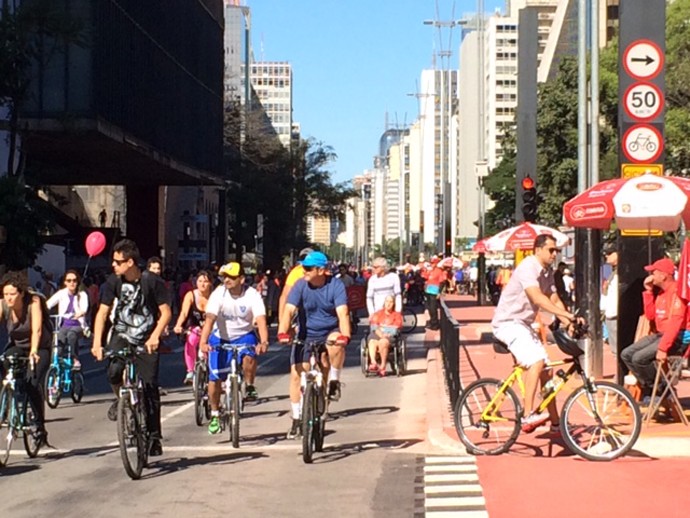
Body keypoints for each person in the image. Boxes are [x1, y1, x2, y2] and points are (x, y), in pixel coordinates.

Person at [91, 239, 171, 457]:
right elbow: (103, 313)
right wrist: (97, 343)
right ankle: (121, 399)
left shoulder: (151, 282)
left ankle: (154, 436)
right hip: (122, 334)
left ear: (130, 262)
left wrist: (155, 336)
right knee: (114, 371)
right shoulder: (113, 282)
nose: (113, 266)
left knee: (150, 387)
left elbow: (165, 313)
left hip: (146, 336)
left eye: (118, 262)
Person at [491, 235, 578, 433]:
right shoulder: (527, 267)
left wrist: (568, 322)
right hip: (507, 323)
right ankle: (528, 415)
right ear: (537, 249)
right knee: (536, 362)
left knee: (547, 371)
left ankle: (556, 424)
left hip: (523, 324)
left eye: (556, 250)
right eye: (551, 250)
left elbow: (554, 299)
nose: (554, 254)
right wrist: (565, 315)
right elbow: (537, 298)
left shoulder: (547, 272)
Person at [277, 251, 350, 439]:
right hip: (306, 333)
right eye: (304, 267)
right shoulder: (300, 285)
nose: (304, 271)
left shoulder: (336, 285)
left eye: (308, 268)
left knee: (335, 347)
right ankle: (296, 418)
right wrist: (283, 332)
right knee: (296, 374)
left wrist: (345, 335)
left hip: (329, 331)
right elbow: (289, 310)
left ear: (321, 270)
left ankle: (334, 381)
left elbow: (343, 313)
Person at [199, 262, 269, 435]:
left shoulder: (252, 295)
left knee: (249, 359)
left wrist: (264, 341)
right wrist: (203, 342)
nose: (227, 280)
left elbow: (260, 320)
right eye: (224, 277)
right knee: (215, 379)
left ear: (242, 279)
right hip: (220, 337)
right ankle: (215, 413)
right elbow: (209, 319)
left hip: (244, 335)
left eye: (231, 277)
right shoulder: (218, 293)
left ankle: (250, 384)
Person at [621, 258, 690, 403]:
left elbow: (676, 321)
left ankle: (658, 391)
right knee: (627, 354)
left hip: (678, 336)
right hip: (661, 334)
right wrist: (648, 292)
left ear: (664, 275)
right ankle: (658, 389)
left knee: (639, 358)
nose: (651, 275)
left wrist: (663, 348)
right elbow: (651, 315)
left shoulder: (677, 291)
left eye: (654, 272)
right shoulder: (660, 293)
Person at [1, 271, 51, 446]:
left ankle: (39, 426)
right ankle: (6, 401)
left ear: (21, 293)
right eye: (5, 294)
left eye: (12, 294)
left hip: (40, 347)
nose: (9, 298)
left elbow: (36, 330)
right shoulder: (3, 305)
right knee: (3, 363)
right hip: (18, 347)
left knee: (32, 382)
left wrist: (34, 350)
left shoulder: (33, 302)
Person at [173, 270, 212, 384]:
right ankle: (190, 371)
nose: (202, 284)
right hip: (195, 327)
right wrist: (178, 325)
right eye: (200, 281)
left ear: (210, 283)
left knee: (214, 345)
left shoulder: (215, 296)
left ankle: (215, 371)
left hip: (211, 328)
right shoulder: (191, 295)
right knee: (191, 340)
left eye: (205, 281)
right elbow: (184, 313)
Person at [46, 269, 90, 370]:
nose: (72, 283)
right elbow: (48, 304)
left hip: (78, 325)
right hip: (64, 325)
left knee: (72, 335)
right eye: (69, 280)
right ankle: (55, 364)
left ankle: (75, 358)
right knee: (58, 340)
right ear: (65, 282)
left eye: (74, 280)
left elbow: (84, 308)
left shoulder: (82, 294)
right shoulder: (61, 293)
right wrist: (42, 312)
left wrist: (80, 313)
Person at [366, 295, 403, 377]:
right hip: (377, 334)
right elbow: (374, 326)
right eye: (387, 301)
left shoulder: (397, 315)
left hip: (390, 336)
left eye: (391, 302)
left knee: (383, 342)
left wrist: (385, 332)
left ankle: (382, 366)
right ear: (384, 303)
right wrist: (381, 333)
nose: (388, 304)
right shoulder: (378, 314)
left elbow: (396, 327)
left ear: (393, 304)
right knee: (372, 341)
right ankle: (373, 362)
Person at [278, 247, 313, 327]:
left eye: (308, 258)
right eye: (303, 258)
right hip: (299, 312)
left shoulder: (320, 272)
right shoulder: (296, 272)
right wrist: (282, 321)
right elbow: (285, 295)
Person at [601, 246, 619, 354]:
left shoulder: (620, 274)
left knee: (617, 350)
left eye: (610, 253)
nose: (606, 255)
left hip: (615, 316)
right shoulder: (612, 273)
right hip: (610, 315)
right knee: (614, 350)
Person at [423, 256, 446, 331]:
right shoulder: (430, 270)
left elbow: (442, 282)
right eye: (431, 262)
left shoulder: (439, 271)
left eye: (433, 263)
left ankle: (435, 324)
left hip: (434, 291)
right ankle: (432, 322)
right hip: (428, 291)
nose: (431, 264)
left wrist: (439, 292)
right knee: (429, 308)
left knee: (433, 308)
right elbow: (426, 277)